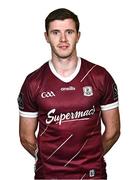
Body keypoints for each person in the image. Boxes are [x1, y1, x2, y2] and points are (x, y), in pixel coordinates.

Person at [18, 8, 120, 179]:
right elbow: (26, 137)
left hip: (92, 175)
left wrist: (91, 158)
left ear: (78, 36)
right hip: (48, 175)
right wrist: (47, 160)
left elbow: (113, 131)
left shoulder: (100, 77)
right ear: (46, 36)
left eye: (69, 32)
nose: (63, 39)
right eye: (56, 32)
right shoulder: (33, 82)